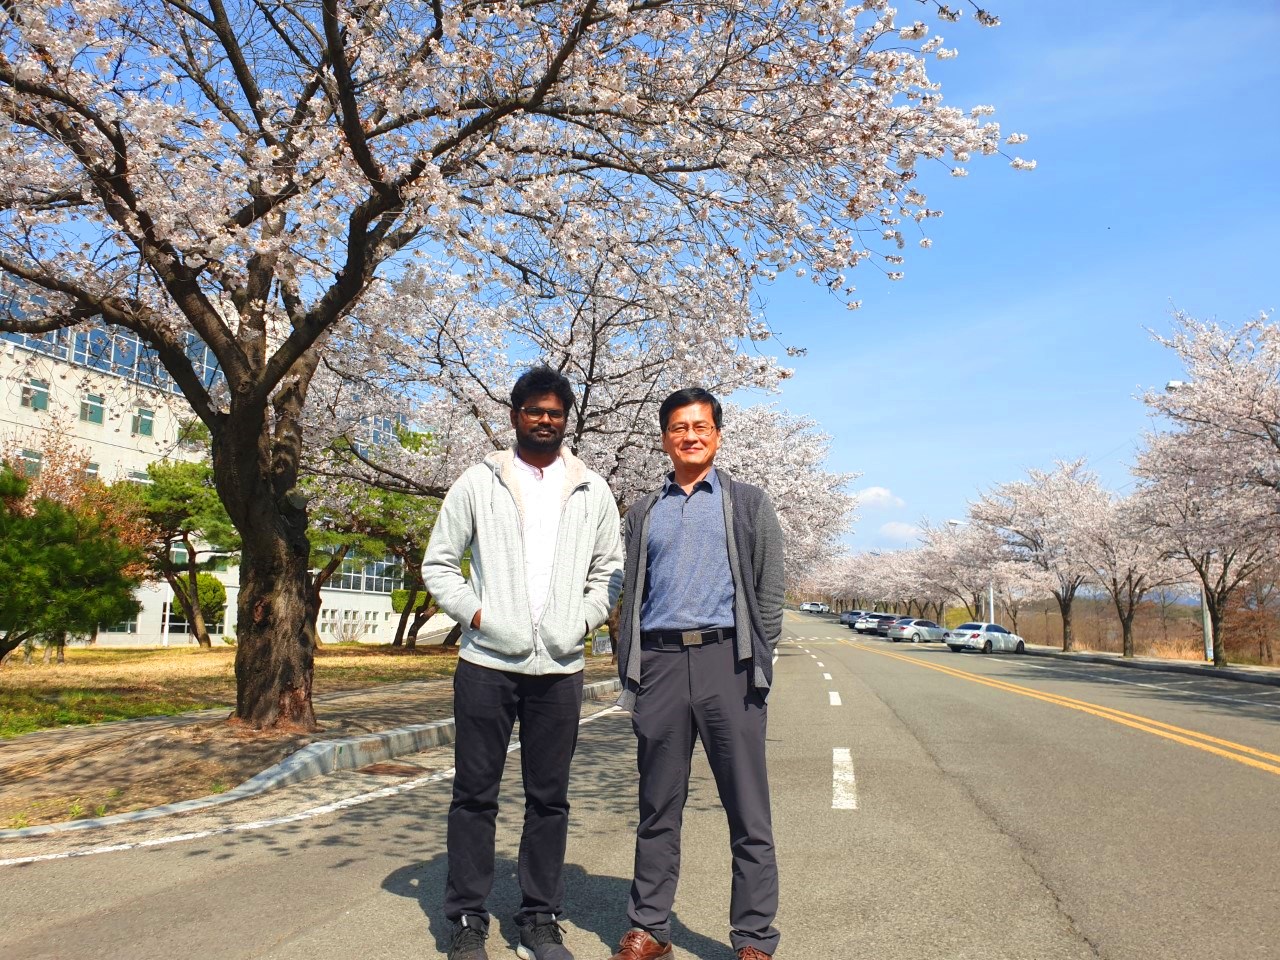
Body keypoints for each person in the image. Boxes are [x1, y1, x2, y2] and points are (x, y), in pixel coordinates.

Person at [422, 365, 624, 960]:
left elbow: (610, 572)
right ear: (515, 415)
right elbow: (439, 563)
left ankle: (540, 918)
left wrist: (578, 622)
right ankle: (466, 920)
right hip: (486, 663)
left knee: (549, 798)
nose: (544, 420)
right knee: (474, 795)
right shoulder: (479, 481)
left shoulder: (591, 489)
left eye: (554, 413)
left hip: (560, 668)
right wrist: (479, 615)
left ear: (566, 421)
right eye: (534, 410)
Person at [609, 388, 785, 960]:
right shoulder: (643, 512)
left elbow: (770, 589)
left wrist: (760, 658)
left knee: (747, 808)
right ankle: (649, 927)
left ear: (717, 435)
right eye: (679, 428)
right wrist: (630, 663)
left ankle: (754, 938)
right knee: (658, 805)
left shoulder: (748, 503)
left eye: (701, 426)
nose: (690, 436)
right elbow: (629, 592)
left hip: (727, 662)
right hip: (660, 666)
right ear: (665, 438)